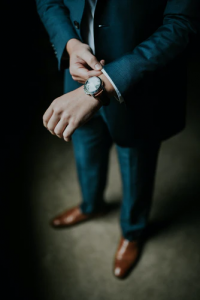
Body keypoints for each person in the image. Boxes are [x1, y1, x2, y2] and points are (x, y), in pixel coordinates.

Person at [36, 0, 199, 279]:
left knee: (136, 163)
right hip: (74, 76)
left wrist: (100, 87)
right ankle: (91, 206)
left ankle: (132, 232)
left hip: (140, 86)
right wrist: (70, 44)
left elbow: (181, 22)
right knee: (85, 150)